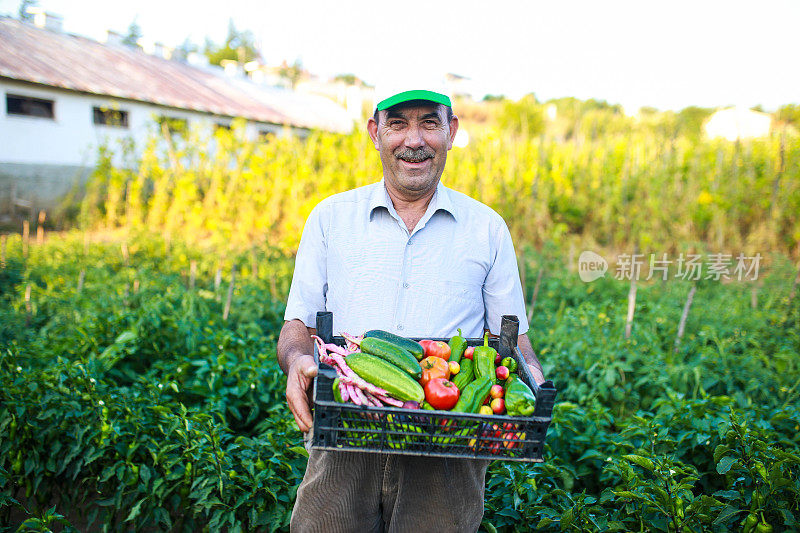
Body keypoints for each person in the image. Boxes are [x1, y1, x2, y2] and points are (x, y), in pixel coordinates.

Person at [276, 79, 546, 532]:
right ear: (375, 132)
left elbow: (512, 338)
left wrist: (531, 378)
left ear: (452, 131)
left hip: (450, 443)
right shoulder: (331, 217)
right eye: (397, 124)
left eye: (429, 123)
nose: (414, 140)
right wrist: (298, 358)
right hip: (344, 426)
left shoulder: (487, 228)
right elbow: (297, 323)